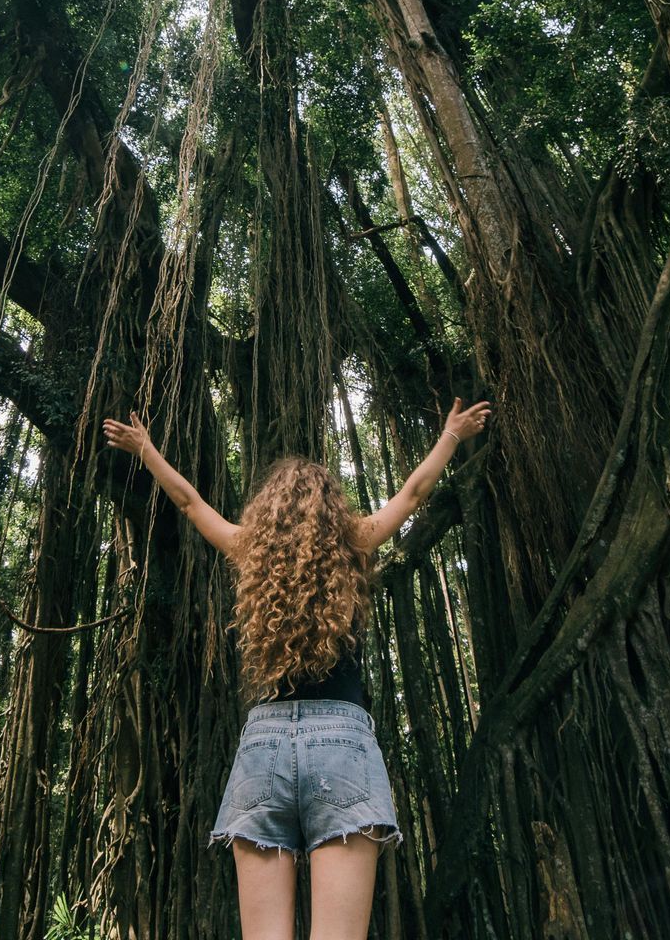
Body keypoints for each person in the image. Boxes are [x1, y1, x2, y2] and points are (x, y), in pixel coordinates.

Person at [102, 395, 494, 940]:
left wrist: (145, 449)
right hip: (343, 743)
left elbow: (188, 502)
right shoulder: (355, 540)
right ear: (331, 507)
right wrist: (450, 435)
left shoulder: (248, 550)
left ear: (269, 512)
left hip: (263, 747)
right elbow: (414, 492)